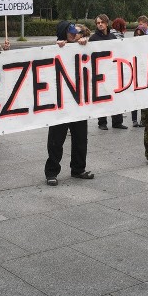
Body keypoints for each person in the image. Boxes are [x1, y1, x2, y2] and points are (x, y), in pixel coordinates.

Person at [45, 21, 94, 186]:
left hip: (78, 101)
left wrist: (85, 42)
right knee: (56, 140)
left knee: (81, 138)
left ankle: (78, 169)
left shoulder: (82, 46)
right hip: (60, 103)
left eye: (76, 32)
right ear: (63, 33)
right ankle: (51, 172)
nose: (74, 35)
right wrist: (58, 46)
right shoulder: (55, 48)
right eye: (71, 32)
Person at [90, 14, 127, 131]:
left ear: (106, 23)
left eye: (102, 22)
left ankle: (117, 121)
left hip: (112, 71)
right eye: (98, 23)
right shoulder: (93, 38)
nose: (100, 24)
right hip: (100, 72)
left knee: (116, 96)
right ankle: (102, 122)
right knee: (102, 98)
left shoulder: (112, 37)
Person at [131, 16, 148, 127]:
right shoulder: (132, 44)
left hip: (145, 71)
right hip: (135, 72)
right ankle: (134, 119)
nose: (138, 36)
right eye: (137, 34)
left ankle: (143, 119)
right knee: (135, 97)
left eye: (141, 34)